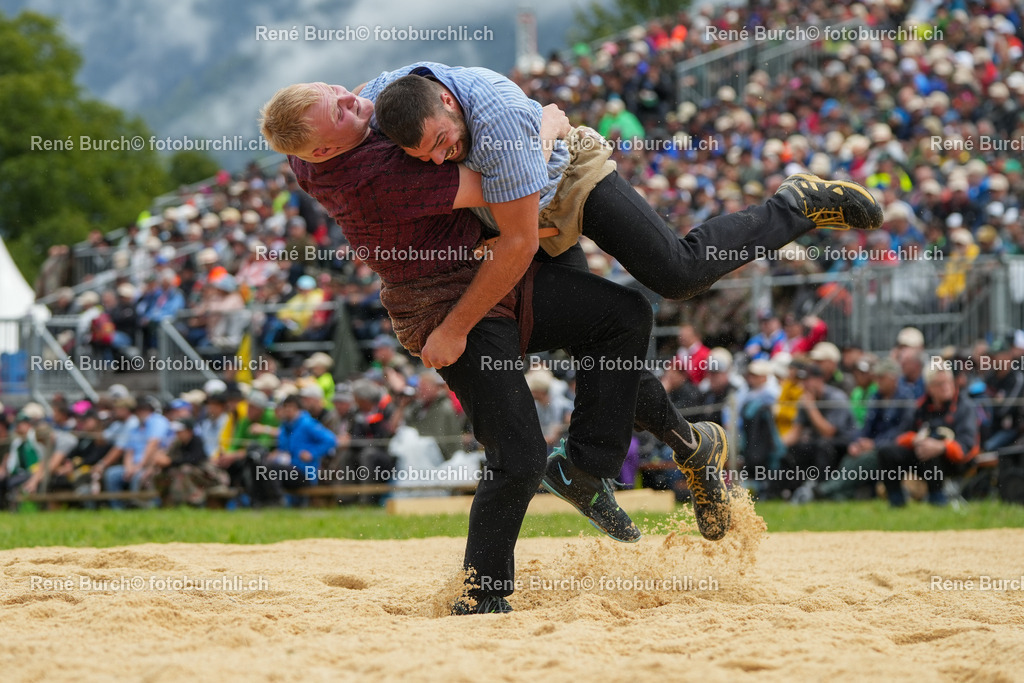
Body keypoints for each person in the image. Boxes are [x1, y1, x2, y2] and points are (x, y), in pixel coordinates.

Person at [258, 87, 756, 615]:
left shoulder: (312, 155)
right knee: (518, 455)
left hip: (491, 275)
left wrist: (378, 99)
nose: (351, 99)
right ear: (320, 153)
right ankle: (482, 595)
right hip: (450, 305)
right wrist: (542, 127)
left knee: (619, 322)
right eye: (338, 109)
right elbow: (512, 184)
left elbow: (342, 107)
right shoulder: (379, 175)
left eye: (338, 91)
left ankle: (657, 450)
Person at [877, 366, 979, 507]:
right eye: (939, 384)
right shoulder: (921, 406)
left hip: (955, 462)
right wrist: (914, 439)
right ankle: (896, 502)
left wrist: (942, 446)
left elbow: (968, 446)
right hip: (923, 458)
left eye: (949, 382)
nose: (946, 387)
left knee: (930, 450)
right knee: (887, 452)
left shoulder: (964, 407)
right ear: (929, 387)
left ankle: (938, 500)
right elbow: (901, 436)